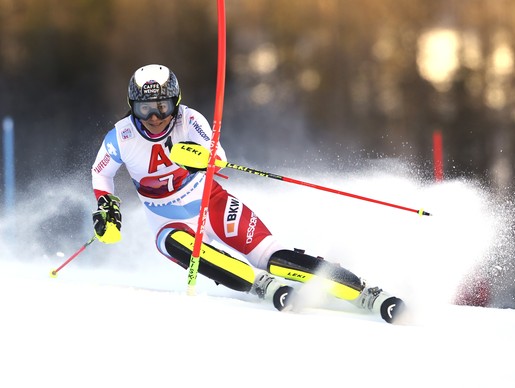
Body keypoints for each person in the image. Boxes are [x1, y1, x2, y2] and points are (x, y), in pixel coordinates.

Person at [91, 64, 404, 323]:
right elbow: (100, 172)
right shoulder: (121, 136)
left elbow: (219, 156)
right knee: (179, 246)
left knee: (276, 258)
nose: (154, 118)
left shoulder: (189, 119)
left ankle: (364, 293)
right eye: (144, 109)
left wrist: (200, 157)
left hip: (213, 203)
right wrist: (106, 204)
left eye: (162, 107)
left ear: (176, 101)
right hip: (167, 220)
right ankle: (261, 286)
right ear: (132, 107)